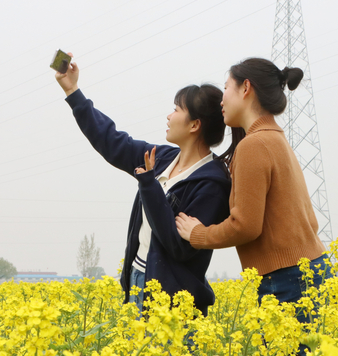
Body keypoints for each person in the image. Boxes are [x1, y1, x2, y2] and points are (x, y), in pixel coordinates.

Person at [54, 54, 231, 316]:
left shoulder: (213, 183)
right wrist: (73, 91)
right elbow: (113, 142)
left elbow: (178, 246)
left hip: (172, 303)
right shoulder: (163, 159)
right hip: (138, 280)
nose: (169, 116)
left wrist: (148, 185)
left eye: (176, 109)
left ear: (194, 124)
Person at [175, 57, 331, 319]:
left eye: (226, 88)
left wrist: (198, 235)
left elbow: (246, 225)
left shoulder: (254, 145)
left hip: (287, 277)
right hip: (306, 270)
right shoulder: (274, 137)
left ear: (245, 88)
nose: (221, 100)